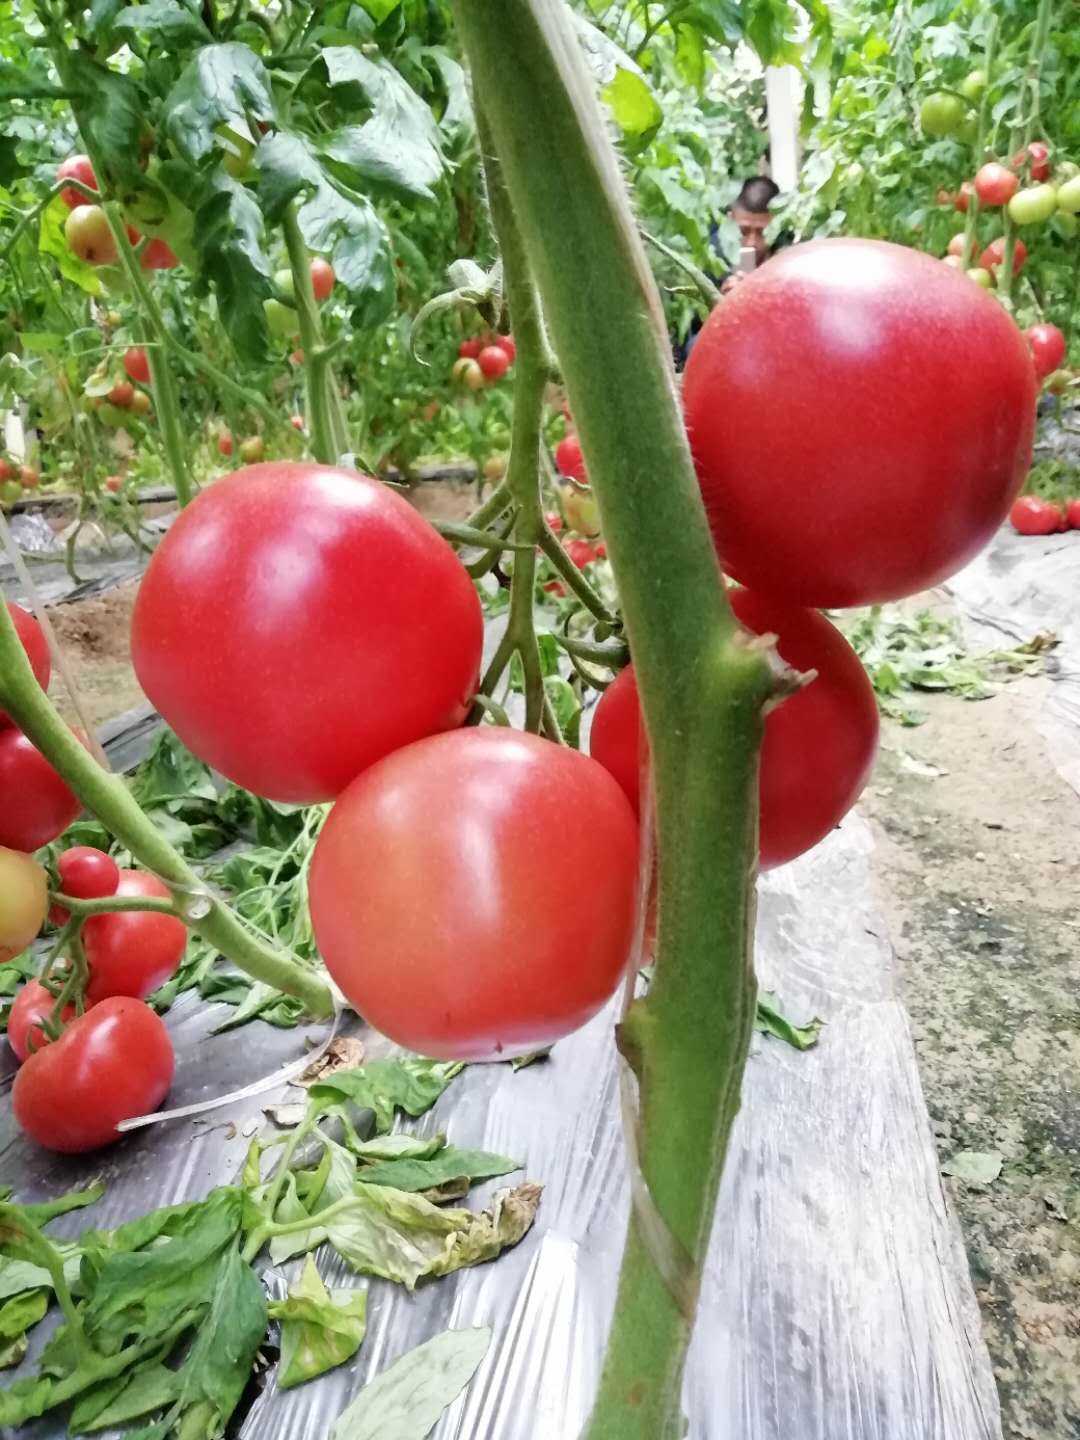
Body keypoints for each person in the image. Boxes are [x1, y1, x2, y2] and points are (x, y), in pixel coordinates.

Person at [674, 175, 782, 369]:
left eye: (762, 233)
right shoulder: (713, 253)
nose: (751, 243)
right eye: (744, 231)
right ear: (732, 219)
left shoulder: (788, 251)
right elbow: (690, 336)